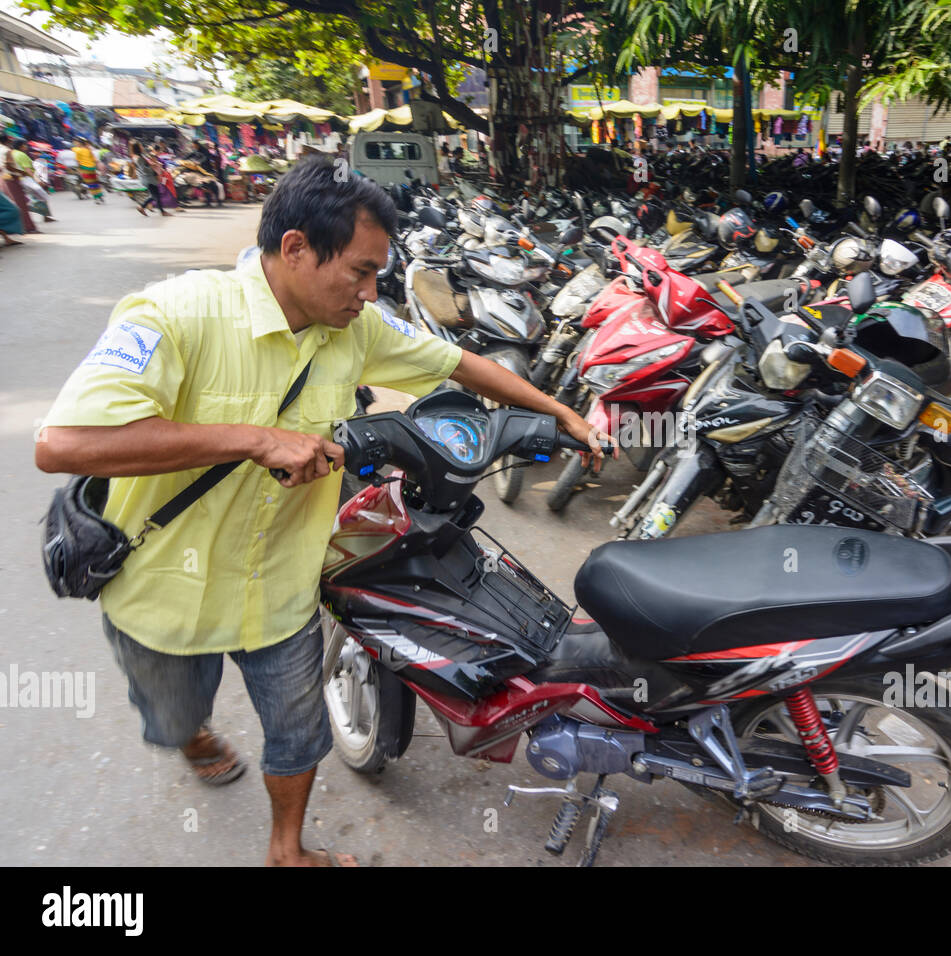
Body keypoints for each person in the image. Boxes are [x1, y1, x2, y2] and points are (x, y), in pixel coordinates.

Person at [34, 155, 610, 867]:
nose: (371, 293)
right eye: (360, 272)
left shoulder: (355, 330)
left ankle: (286, 850)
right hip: (163, 595)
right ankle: (192, 735)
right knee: (176, 714)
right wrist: (253, 439)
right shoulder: (176, 314)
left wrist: (564, 414)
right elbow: (64, 444)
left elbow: (455, 364)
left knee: (299, 730)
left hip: (279, 588)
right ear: (296, 248)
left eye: (379, 276)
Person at [130, 141, 170, 217]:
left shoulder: (137, 157)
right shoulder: (139, 158)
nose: (142, 147)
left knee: (155, 195)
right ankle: (143, 207)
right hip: (149, 179)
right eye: (140, 146)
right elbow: (144, 169)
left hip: (147, 178)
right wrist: (152, 167)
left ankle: (144, 207)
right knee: (155, 195)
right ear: (138, 148)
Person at [74, 137, 105, 203]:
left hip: (84, 169)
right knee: (95, 183)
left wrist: (79, 170)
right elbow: (94, 159)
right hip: (92, 168)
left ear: (80, 143)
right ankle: (100, 196)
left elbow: (78, 161)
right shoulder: (89, 150)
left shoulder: (78, 151)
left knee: (91, 184)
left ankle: (96, 198)